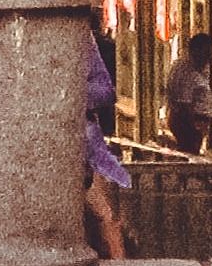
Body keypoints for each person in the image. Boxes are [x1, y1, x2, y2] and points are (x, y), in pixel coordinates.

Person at [80, 19, 131, 259]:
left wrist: (70, 93)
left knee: (103, 214)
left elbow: (105, 90)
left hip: (82, 143)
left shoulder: (83, 39)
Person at [165, 31, 212, 156]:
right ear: (195, 50)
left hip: (198, 121)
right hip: (189, 121)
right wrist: (193, 129)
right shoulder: (185, 70)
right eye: (206, 53)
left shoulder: (200, 67)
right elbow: (184, 104)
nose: (209, 57)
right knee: (189, 153)